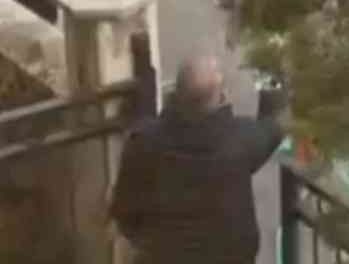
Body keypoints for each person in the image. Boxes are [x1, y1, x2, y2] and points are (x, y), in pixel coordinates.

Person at [110, 55, 284, 264]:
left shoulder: (143, 142)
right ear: (221, 97)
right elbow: (273, 125)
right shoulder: (241, 140)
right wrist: (269, 74)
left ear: (175, 92)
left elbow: (124, 213)